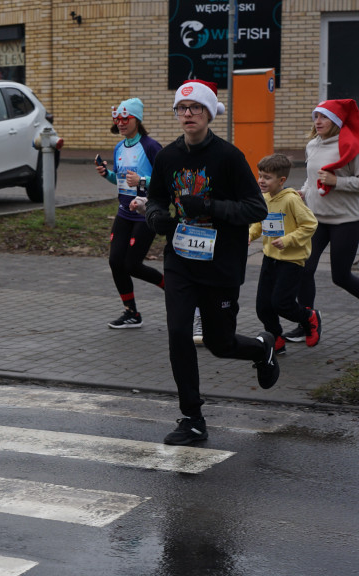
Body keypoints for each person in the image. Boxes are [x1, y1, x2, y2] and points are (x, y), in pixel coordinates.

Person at [143, 79, 275, 446]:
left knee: (220, 343)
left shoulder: (229, 157)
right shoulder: (167, 157)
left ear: (208, 113)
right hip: (180, 259)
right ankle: (193, 418)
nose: (188, 114)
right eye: (182, 109)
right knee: (179, 333)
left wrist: (210, 207)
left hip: (220, 264)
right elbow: (155, 200)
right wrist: (156, 218)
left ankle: (261, 348)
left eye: (195, 108)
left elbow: (256, 207)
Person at [285, 99, 359, 343]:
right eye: (315, 117)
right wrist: (303, 191)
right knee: (304, 271)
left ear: (336, 121)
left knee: (340, 276)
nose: (317, 122)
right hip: (316, 220)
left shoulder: (351, 146)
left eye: (323, 117)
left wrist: (337, 182)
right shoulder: (312, 145)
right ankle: (307, 323)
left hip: (346, 220)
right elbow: (311, 179)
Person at [95, 97, 165, 329]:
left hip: (146, 212)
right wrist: (107, 174)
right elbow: (122, 181)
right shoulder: (118, 147)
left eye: (126, 118)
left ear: (137, 119)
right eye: (118, 119)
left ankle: (172, 286)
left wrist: (143, 179)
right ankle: (131, 313)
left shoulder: (151, 146)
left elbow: (167, 181)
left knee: (132, 265)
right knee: (116, 261)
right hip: (124, 212)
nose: (121, 123)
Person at [248, 153, 319, 353]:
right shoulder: (263, 198)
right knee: (263, 306)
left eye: (267, 177)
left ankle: (310, 318)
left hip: (291, 260)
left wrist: (288, 240)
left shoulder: (291, 200)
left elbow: (310, 224)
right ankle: (276, 340)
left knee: (282, 303)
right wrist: (251, 235)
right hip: (270, 258)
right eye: (260, 175)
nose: (261, 180)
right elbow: (260, 221)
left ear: (281, 180)